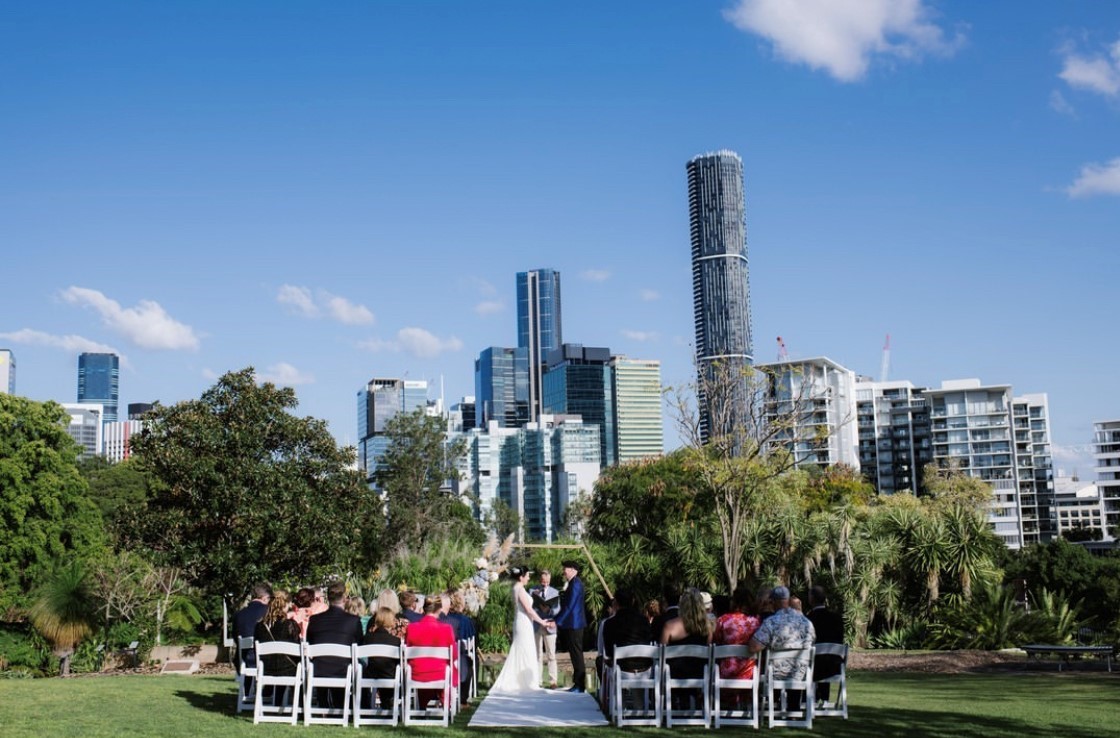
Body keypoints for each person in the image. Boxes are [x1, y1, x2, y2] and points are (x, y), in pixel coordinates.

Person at [749, 585, 815, 711]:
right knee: (797, 666)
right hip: (801, 672)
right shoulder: (806, 622)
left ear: (773, 601)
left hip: (776, 674)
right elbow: (812, 642)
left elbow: (753, 647)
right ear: (788, 600)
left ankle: (771, 707)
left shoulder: (771, 622)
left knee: (772, 667)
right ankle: (793, 708)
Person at [489, 567, 553, 694]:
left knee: (523, 650)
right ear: (521, 577)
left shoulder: (518, 588)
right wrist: (542, 622)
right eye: (527, 575)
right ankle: (521, 682)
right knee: (524, 650)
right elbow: (529, 610)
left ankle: (522, 680)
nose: (529, 578)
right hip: (523, 623)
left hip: (523, 622)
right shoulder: (519, 589)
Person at [306, 581, 364, 708]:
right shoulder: (354, 621)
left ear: (327, 598)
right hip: (343, 670)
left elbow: (309, 643)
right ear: (345, 598)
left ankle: (324, 706)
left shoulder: (315, 620)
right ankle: (343, 707)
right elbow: (359, 645)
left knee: (325, 662)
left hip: (319, 669)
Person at [660, 588, 713, 710]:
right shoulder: (707, 627)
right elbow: (708, 652)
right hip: (699, 673)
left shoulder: (670, 626)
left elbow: (661, 653)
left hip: (674, 674)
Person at [406, 596, 458, 707]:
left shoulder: (411, 628)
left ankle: (422, 705)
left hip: (417, 674)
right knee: (449, 668)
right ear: (439, 609)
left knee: (422, 665)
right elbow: (454, 655)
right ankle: (446, 704)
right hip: (440, 674)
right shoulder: (446, 629)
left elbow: (408, 653)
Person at [713, 584, 762, 686]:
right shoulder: (756, 622)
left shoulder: (723, 620)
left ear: (735, 602)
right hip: (749, 674)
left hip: (725, 673)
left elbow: (716, 641)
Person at [807, 585, 844, 704]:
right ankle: (825, 699)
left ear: (812, 599)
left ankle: (811, 699)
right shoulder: (836, 618)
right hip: (835, 665)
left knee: (816, 659)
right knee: (825, 657)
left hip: (814, 667)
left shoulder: (809, 619)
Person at [555, 560, 588, 693]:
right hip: (572, 624)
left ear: (574, 570)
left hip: (575, 624)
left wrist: (557, 621)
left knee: (577, 654)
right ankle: (578, 683)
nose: (564, 571)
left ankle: (580, 685)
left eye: (566, 569)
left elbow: (570, 606)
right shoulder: (573, 583)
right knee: (575, 654)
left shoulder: (575, 584)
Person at [363, 606, 403, 710]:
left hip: (371, 674)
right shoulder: (395, 641)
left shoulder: (367, 638)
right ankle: (388, 703)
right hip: (389, 675)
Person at [233, 582, 272, 684]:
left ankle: (249, 690)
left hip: (242, 659)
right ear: (265, 597)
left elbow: (235, 636)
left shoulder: (239, 614)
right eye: (269, 599)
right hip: (263, 661)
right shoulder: (268, 612)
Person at [530, 570, 561, 689]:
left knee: (551, 655)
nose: (545, 584)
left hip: (550, 625)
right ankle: (538, 681)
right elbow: (530, 608)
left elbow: (558, 609)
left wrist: (549, 611)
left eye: (547, 582)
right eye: (543, 582)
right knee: (537, 655)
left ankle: (553, 681)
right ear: (539, 580)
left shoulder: (555, 592)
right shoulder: (532, 591)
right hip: (537, 625)